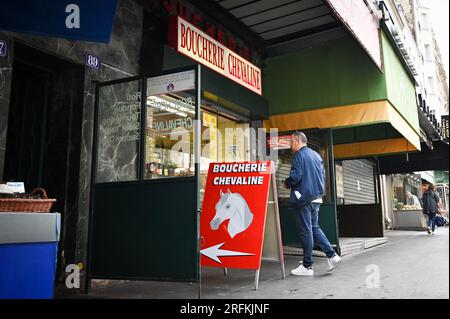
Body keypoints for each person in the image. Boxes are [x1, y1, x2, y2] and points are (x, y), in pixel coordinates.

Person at [282, 131, 341, 276]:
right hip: (316, 198)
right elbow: (322, 176)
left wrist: (286, 183)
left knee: (306, 231)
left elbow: (296, 177)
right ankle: (332, 255)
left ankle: (307, 266)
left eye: (292, 142)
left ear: (297, 141)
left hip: (304, 199)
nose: (291, 145)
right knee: (314, 228)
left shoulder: (299, 156)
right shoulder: (316, 155)